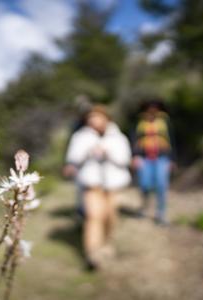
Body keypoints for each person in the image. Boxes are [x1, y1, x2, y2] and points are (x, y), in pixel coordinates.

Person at [64, 105, 131, 270]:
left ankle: (107, 243)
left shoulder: (118, 137)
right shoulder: (80, 137)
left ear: (106, 118)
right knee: (93, 216)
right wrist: (88, 151)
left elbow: (125, 160)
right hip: (91, 183)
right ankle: (93, 253)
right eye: (90, 117)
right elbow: (73, 158)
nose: (93, 120)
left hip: (113, 184)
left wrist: (108, 152)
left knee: (110, 216)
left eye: (97, 117)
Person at [131, 99, 176, 226]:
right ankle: (144, 208)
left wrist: (172, 159)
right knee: (144, 185)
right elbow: (133, 139)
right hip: (144, 157)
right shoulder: (139, 122)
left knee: (162, 186)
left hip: (162, 158)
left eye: (155, 107)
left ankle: (161, 214)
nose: (152, 110)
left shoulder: (165, 122)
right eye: (149, 107)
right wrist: (134, 156)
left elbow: (172, 141)